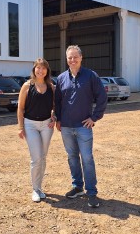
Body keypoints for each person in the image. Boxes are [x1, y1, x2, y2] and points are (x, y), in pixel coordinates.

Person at [54, 45, 107, 208]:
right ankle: (78, 187)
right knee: (72, 157)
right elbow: (57, 101)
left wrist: (94, 117)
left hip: (84, 126)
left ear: (81, 58)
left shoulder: (91, 76)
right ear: (66, 59)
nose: (72, 60)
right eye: (69, 57)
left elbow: (102, 97)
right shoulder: (62, 78)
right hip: (67, 127)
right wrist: (58, 118)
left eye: (75, 56)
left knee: (87, 158)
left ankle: (91, 192)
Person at [17, 58, 56, 202]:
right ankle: (35, 189)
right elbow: (20, 108)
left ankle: (39, 187)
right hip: (30, 125)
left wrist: (54, 117)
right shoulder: (27, 86)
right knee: (36, 158)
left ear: (47, 71)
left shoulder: (51, 87)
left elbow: (55, 106)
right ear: (34, 70)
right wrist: (20, 127)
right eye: (38, 68)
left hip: (46, 125)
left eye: (43, 68)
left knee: (43, 157)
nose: (40, 71)